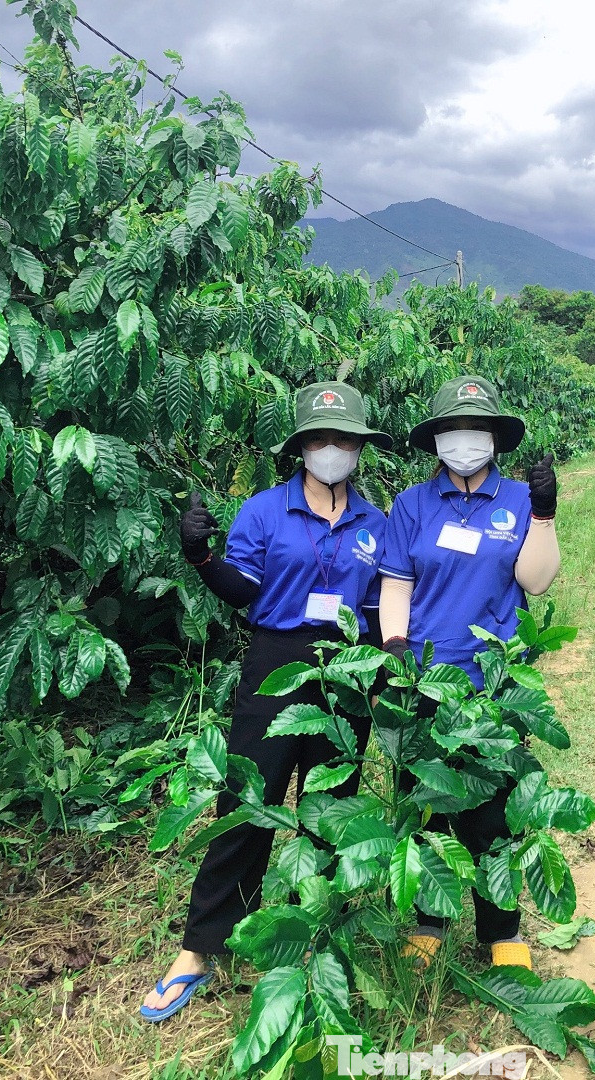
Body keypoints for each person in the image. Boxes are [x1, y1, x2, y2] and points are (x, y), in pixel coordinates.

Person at [141, 380, 391, 1021]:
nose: (332, 448)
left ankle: (324, 933)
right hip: (275, 660)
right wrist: (200, 558)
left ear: (359, 448)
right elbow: (243, 587)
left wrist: (387, 672)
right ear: (301, 447)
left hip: (346, 665)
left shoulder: (375, 522)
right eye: (320, 438)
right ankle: (201, 947)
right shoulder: (263, 511)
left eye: (344, 439)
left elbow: (378, 609)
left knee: (333, 803)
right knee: (249, 800)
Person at [377, 374, 560, 972]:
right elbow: (397, 582)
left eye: (475, 430)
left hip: (493, 677)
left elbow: (535, 581)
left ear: (494, 439)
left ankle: (502, 928)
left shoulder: (517, 501)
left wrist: (546, 516)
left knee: (494, 805)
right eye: (452, 431)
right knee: (428, 801)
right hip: (427, 675)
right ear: (436, 441)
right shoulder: (411, 504)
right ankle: (431, 918)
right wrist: (395, 643)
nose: (464, 442)